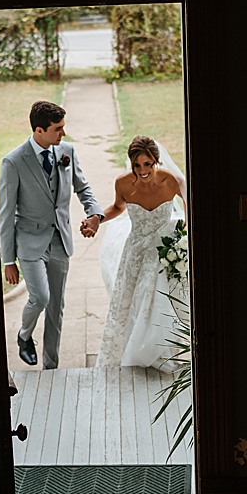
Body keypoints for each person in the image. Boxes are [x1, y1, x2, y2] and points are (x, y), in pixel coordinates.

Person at [0, 100, 104, 370]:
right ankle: (24, 336)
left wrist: (95, 214)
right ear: (39, 130)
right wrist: (9, 260)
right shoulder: (14, 162)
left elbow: (84, 188)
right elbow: (6, 214)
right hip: (29, 242)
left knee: (56, 307)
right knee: (41, 298)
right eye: (58, 129)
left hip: (60, 240)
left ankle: (51, 366)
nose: (63, 134)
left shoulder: (66, 152)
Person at [95, 135, 189, 371]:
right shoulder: (123, 183)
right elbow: (118, 207)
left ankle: (156, 351)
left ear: (156, 161)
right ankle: (135, 349)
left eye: (148, 164)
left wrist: (184, 235)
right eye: (137, 165)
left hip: (162, 249)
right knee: (132, 300)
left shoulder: (173, 181)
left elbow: (190, 208)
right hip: (135, 249)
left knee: (153, 295)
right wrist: (97, 219)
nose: (143, 170)